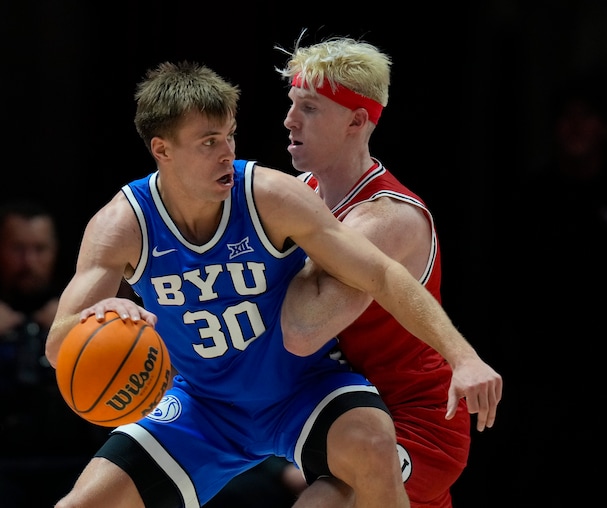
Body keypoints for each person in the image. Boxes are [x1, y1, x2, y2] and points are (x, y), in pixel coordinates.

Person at [44, 60, 498, 508]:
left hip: (301, 390)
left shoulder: (271, 195)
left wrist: (464, 355)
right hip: (205, 404)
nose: (226, 153)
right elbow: (58, 344)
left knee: (373, 447)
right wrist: (98, 317)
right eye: (208, 142)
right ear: (162, 150)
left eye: (229, 136)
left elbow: (380, 273)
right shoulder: (122, 225)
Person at [270, 34, 502, 507]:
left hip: (416, 419)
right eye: (293, 103)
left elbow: (300, 330)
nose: (289, 120)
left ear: (357, 120)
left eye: (310, 108)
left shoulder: (386, 219)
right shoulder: (300, 192)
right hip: (345, 408)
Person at [491, 72, 607, 505]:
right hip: (544, 379)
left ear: (603, 126)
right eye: (566, 117)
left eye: (586, 116)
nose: (575, 127)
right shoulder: (531, 200)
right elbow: (507, 286)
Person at [0, 199, 108, 507]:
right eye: (17, 248)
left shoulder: (88, 308)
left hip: (74, 462)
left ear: (55, 251)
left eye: (39, 249)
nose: (28, 260)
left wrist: (79, 332)